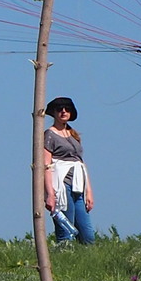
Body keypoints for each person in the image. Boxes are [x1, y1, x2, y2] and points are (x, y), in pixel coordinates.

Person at [42, 97, 95, 243]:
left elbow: (81, 163)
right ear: (54, 113)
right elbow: (46, 165)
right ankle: (62, 259)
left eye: (67, 109)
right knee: (66, 231)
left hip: (79, 186)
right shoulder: (49, 135)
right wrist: (50, 194)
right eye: (59, 109)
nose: (64, 111)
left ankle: (86, 261)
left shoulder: (74, 135)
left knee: (88, 235)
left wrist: (89, 191)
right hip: (62, 185)